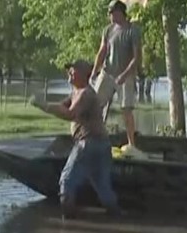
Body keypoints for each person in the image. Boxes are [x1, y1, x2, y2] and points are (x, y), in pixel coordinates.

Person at [32, 60, 121, 219]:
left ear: (82, 73)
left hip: (88, 144)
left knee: (66, 181)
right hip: (101, 145)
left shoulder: (85, 93)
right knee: (103, 187)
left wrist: (44, 106)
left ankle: (68, 225)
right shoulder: (76, 92)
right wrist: (45, 105)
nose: (70, 73)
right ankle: (116, 218)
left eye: (73, 70)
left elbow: (70, 114)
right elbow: (62, 107)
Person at [91, 0, 143, 150]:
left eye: (112, 12)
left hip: (125, 74)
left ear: (120, 12)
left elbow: (136, 57)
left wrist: (125, 74)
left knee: (126, 110)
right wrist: (95, 71)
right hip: (107, 72)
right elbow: (102, 51)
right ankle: (93, 138)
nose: (110, 16)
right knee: (95, 105)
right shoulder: (108, 30)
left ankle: (131, 144)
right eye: (109, 13)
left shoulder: (132, 30)